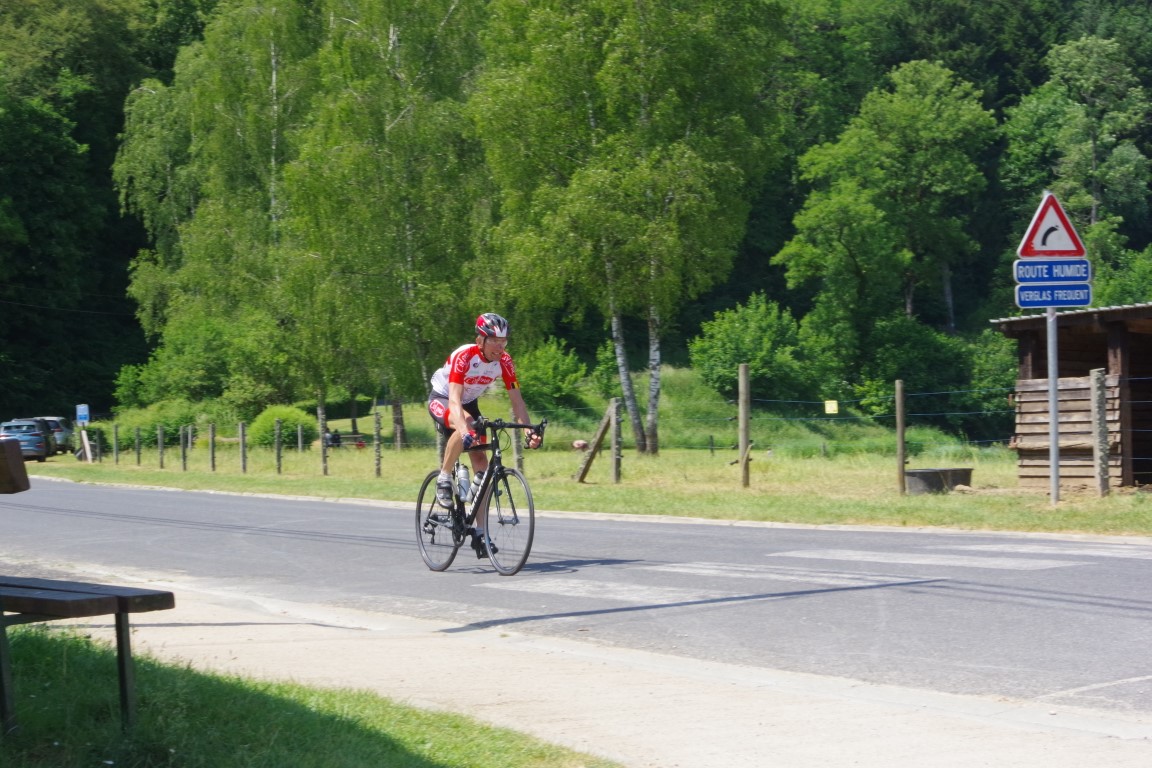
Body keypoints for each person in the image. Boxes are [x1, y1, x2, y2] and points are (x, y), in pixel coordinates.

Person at [428, 312, 542, 557]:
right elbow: (454, 400)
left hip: (468, 403)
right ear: (480, 340)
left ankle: (480, 534)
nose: (500, 347)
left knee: (482, 461)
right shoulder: (465, 356)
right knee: (468, 425)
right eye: (495, 341)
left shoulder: (505, 361)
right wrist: (463, 429)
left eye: (504, 341)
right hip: (444, 398)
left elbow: (517, 401)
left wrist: (528, 430)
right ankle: (444, 477)